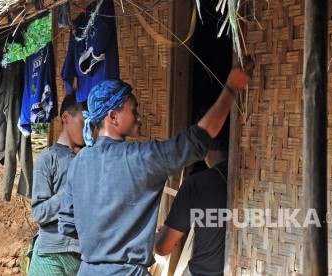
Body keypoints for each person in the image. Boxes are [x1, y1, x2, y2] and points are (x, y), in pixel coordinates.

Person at [58, 57, 254, 276]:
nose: (139, 117)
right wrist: (231, 89)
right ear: (113, 117)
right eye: (134, 110)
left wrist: (104, 238)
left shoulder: (79, 163)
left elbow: (66, 224)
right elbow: (197, 140)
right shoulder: (140, 158)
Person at [154, 130, 229, 276]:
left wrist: (155, 236)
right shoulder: (251, 184)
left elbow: (162, 248)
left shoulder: (198, 184)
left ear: (204, 146)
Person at [28, 94, 85, 276]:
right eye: (84, 124)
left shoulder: (91, 160)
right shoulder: (48, 160)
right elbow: (40, 213)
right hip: (51, 253)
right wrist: (70, 193)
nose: (89, 130)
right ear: (66, 118)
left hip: (84, 255)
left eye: (92, 126)